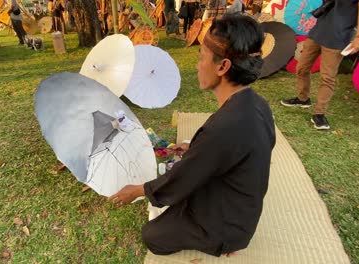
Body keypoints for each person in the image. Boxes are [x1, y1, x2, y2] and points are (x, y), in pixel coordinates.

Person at [109, 14, 275, 257]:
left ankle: (223, 242)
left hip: (228, 225)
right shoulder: (256, 104)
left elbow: (182, 178)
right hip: (243, 210)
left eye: (201, 58)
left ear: (223, 66)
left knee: (153, 236)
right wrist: (194, 148)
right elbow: (234, 153)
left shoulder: (225, 127)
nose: (198, 66)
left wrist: (136, 190)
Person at [280, 0, 359, 130]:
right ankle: (303, 98)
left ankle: (319, 113)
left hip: (338, 36)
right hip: (317, 32)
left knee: (327, 77)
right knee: (302, 68)